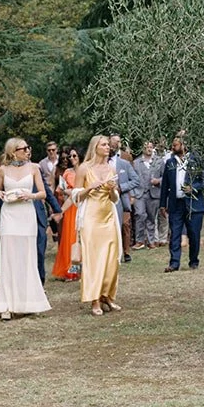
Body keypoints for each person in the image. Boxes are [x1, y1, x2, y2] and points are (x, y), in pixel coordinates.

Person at [0, 137, 52, 320]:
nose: (28, 151)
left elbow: (43, 192)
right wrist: (0, 193)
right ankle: (7, 305)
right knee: (9, 258)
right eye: (23, 148)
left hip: (27, 215)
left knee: (27, 257)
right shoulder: (3, 169)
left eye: (28, 148)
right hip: (9, 215)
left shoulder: (34, 168)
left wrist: (31, 195)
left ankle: (29, 302)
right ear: (13, 151)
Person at [76, 135, 123, 315]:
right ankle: (94, 300)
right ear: (95, 147)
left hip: (108, 216)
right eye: (103, 145)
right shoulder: (84, 168)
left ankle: (108, 296)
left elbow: (115, 198)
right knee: (94, 258)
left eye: (107, 145)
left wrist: (112, 190)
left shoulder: (111, 168)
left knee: (112, 258)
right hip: (91, 218)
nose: (107, 147)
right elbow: (75, 195)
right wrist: (89, 188)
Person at [160, 134, 204, 271]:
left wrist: (194, 188)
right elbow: (165, 186)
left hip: (193, 203)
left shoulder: (196, 160)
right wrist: (163, 204)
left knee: (194, 233)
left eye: (175, 145)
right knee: (175, 233)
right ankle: (174, 263)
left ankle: (193, 261)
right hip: (176, 204)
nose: (172, 147)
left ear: (184, 145)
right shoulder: (170, 162)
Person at [51, 147, 81, 281]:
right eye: (70, 156)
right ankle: (71, 270)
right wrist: (65, 191)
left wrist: (72, 191)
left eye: (75, 156)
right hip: (70, 208)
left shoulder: (85, 171)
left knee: (80, 240)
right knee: (69, 240)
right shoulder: (68, 172)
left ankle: (80, 270)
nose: (72, 159)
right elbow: (60, 189)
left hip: (81, 207)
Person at [112, 138, 141, 263]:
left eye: (114, 144)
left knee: (125, 224)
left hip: (122, 199)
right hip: (106, 201)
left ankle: (126, 251)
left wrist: (122, 188)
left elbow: (136, 180)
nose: (111, 146)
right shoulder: (100, 165)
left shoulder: (124, 162)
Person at [132, 140, 161, 249]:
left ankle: (151, 241)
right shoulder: (136, 162)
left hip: (153, 193)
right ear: (143, 148)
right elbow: (132, 178)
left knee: (151, 217)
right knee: (139, 214)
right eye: (146, 147)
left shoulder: (159, 161)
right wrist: (133, 194)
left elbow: (165, 177)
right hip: (140, 193)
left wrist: (158, 181)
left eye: (150, 147)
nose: (149, 149)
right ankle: (139, 240)